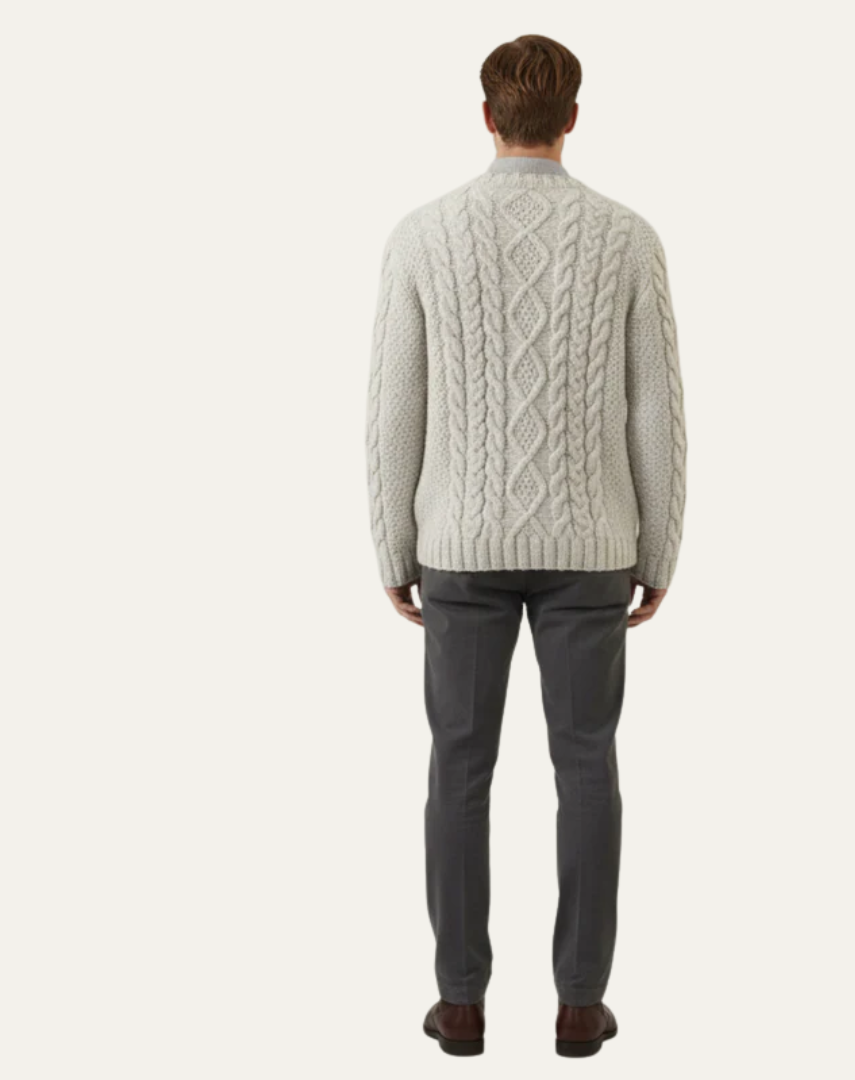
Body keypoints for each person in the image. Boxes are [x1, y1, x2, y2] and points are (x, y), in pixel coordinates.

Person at [365, 34, 687, 1058]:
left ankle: (460, 1004)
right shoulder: (628, 238)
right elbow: (653, 413)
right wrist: (659, 549)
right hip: (592, 545)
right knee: (587, 766)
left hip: (459, 544)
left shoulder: (423, 236)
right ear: (572, 119)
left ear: (487, 115)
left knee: (458, 770)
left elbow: (396, 411)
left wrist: (393, 546)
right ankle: (581, 1006)